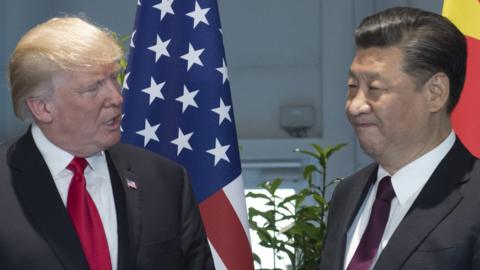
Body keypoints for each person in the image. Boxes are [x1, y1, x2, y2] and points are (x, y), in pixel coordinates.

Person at [0, 16, 214, 270]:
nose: (116, 97)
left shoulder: (166, 180)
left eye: (114, 78)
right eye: (93, 88)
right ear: (43, 107)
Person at [319, 6, 480, 270]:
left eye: (374, 88)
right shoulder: (347, 193)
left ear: (435, 93)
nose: (355, 106)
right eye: (352, 87)